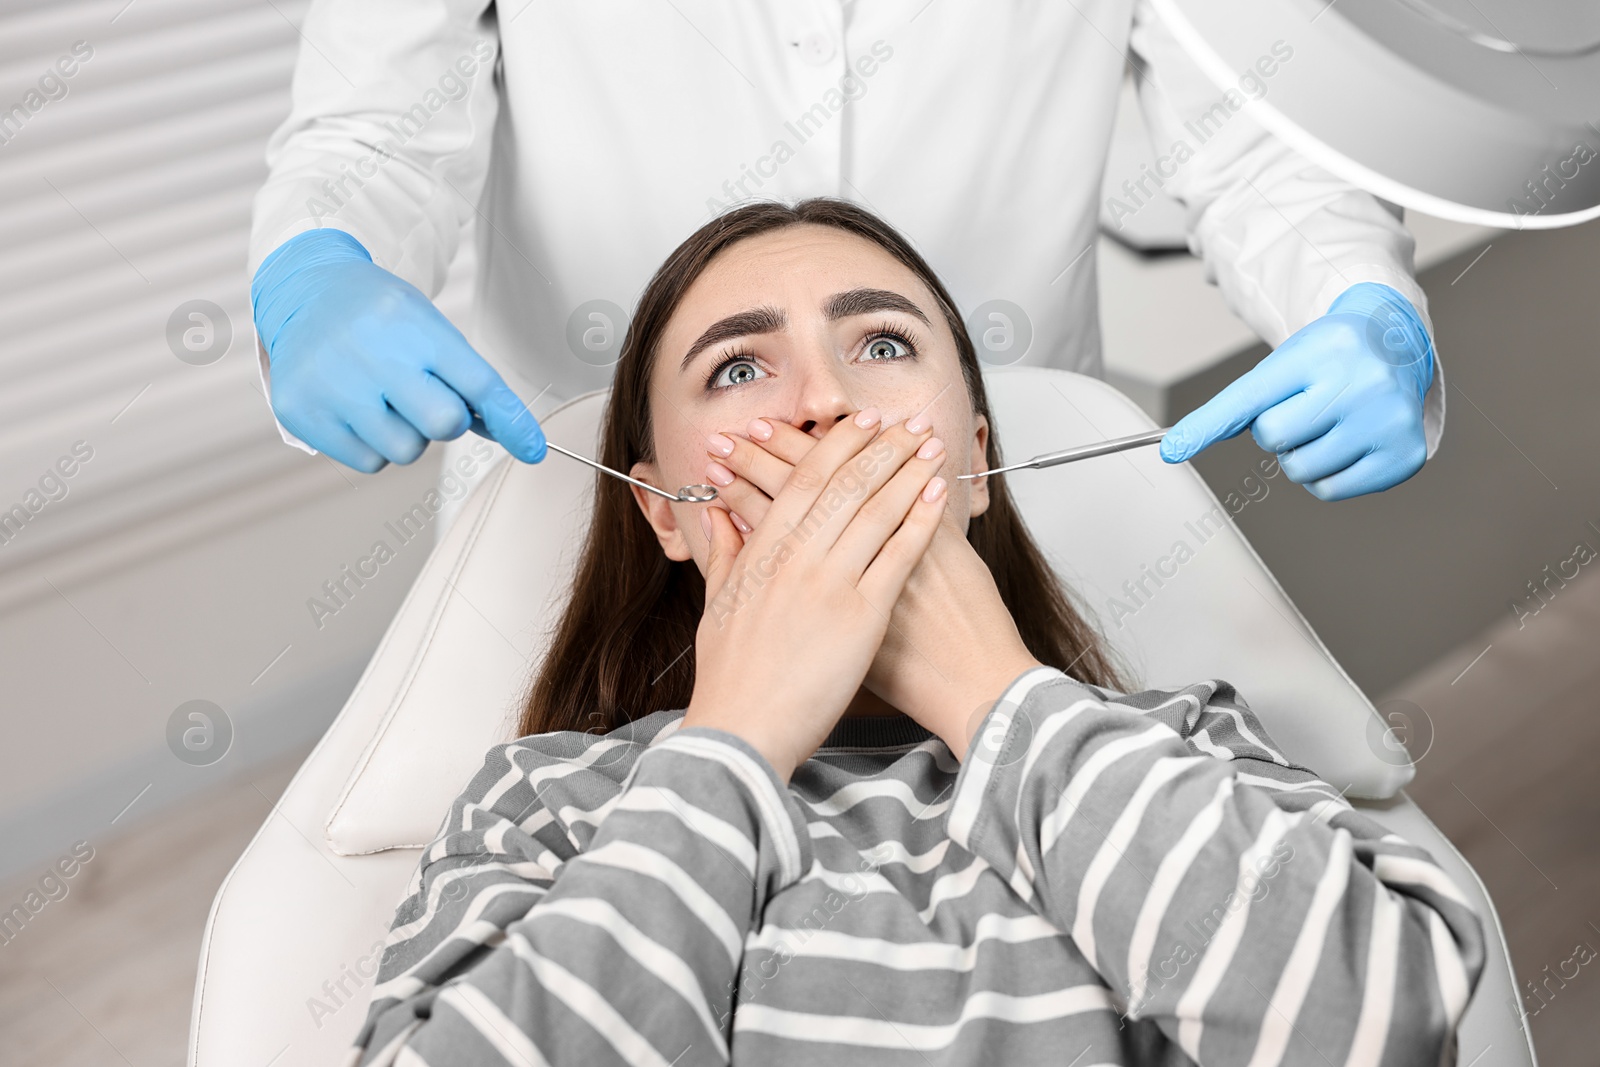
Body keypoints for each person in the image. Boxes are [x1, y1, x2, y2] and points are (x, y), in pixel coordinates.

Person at [348, 199, 1482, 1066]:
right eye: (739, 366)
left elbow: (1376, 1023)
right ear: (662, 511)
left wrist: (995, 690)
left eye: (882, 344)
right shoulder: (553, 801)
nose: (824, 402)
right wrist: (737, 735)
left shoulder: (1177, 753)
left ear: (975, 460)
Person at [248, 1, 1443, 511]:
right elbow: (374, 133)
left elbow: (1258, 142)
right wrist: (322, 270)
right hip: (583, 477)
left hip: (1005, 479)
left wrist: (1358, 301)